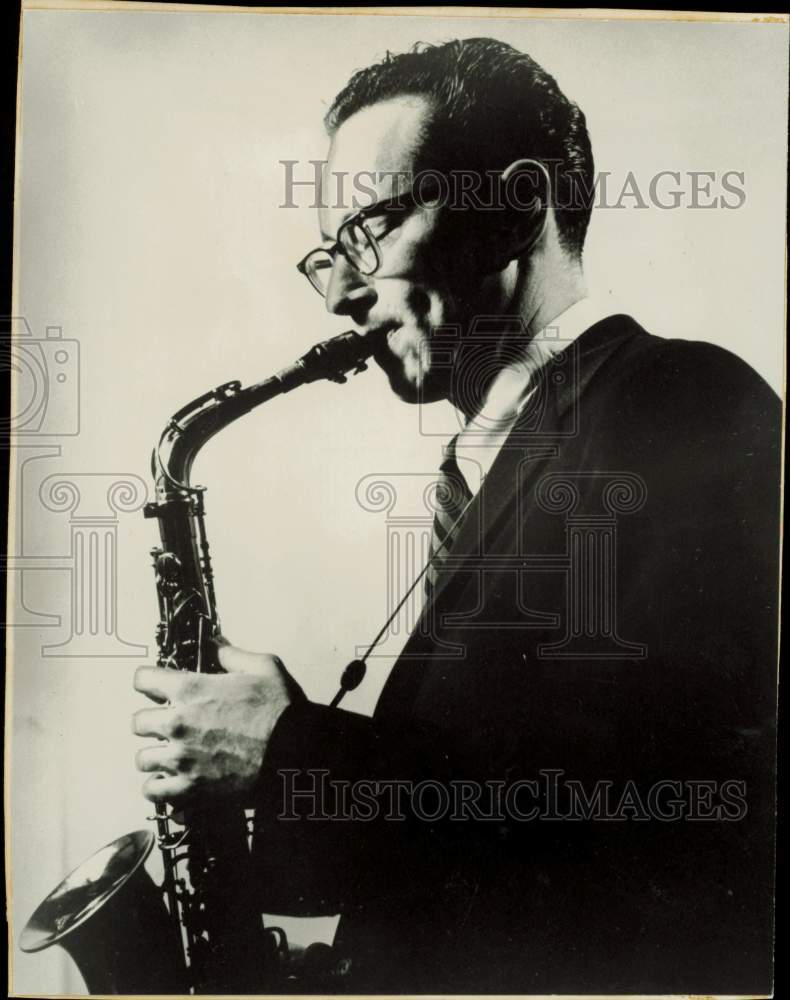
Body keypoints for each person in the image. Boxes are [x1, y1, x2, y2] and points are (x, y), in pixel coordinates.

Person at [132, 38, 780, 994]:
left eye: (370, 231)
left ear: (514, 209)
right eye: (328, 255)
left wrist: (291, 753)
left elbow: (672, 830)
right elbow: (477, 812)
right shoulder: (497, 462)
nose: (345, 294)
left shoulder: (687, 403)